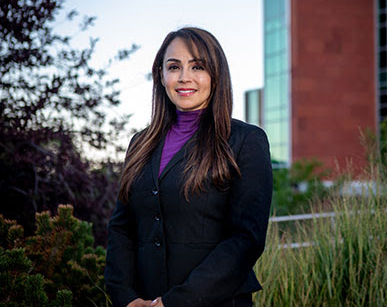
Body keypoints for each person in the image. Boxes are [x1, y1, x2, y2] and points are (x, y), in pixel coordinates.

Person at [104, 27, 273, 307]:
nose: (184, 77)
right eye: (174, 66)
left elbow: (246, 239)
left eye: (197, 66)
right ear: (161, 75)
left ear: (215, 74)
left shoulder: (246, 141)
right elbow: (122, 227)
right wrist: (124, 296)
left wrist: (173, 302)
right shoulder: (140, 142)